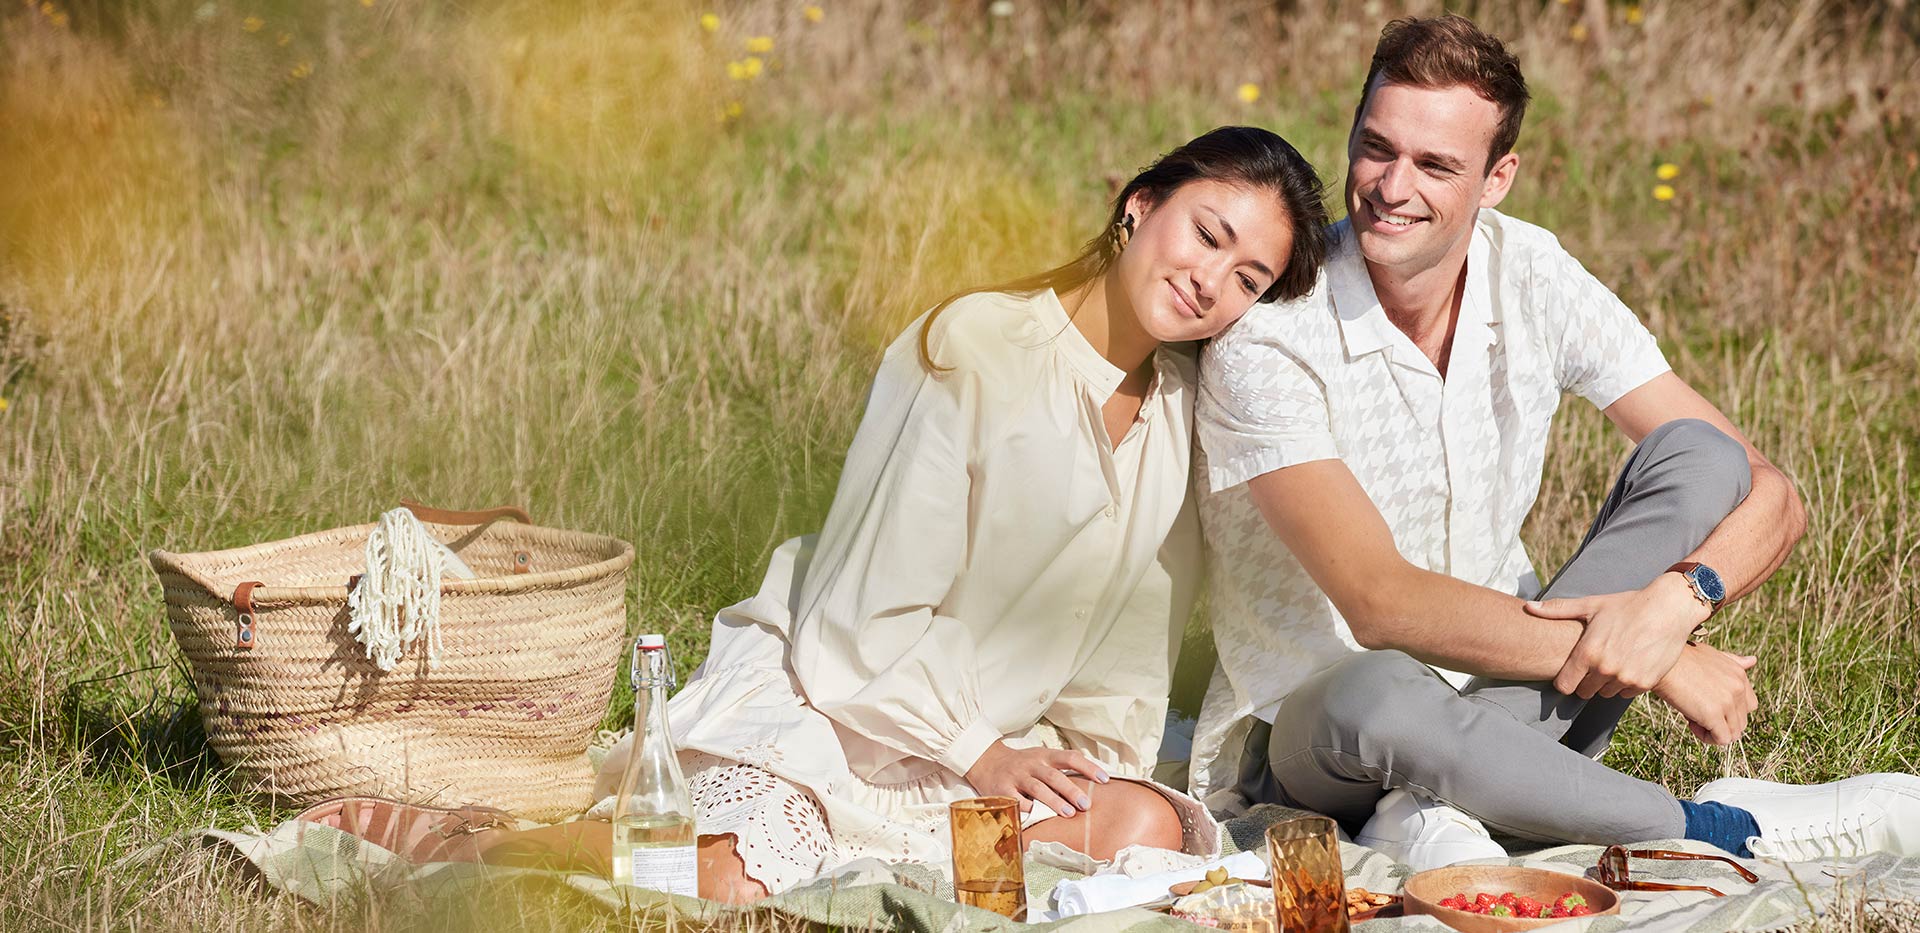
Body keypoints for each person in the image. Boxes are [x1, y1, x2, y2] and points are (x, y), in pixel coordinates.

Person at [1188, 14, 1920, 872]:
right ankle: (1719, 827)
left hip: (1518, 694)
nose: (1391, 186)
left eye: (1435, 165)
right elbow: (1380, 604)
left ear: (1498, 178)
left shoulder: (1530, 270)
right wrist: (1659, 664)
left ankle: (1433, 811)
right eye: (1376, 147)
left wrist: (1677, 606)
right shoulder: (1270, 336)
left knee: (1700, 456)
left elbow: (1770, 492)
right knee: (1378, 684)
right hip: (1323, 735)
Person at [573, 126, 1330, 902]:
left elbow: (1128, 650)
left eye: (1248, 279)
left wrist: (1082, 769)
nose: (1211, 281)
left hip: (997, 750)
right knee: (728, 880)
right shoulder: (974, 345)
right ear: (1139, 204)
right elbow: (859, 618)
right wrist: (979, 750)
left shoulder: (1179, 409)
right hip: (837, 708)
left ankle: (906, 876)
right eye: (1207, 235)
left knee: (1144, 825)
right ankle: (500, 840)